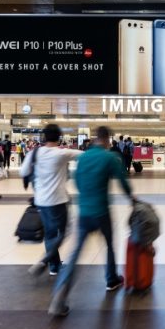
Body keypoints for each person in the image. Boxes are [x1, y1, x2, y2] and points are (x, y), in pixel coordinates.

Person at [48, 126, 135, 317]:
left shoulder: (84, 157)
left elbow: (76, 181)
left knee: (75, 254)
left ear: (95, 138)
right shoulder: (109, 157)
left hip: (84, 213)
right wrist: (132, 199)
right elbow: (123, 181)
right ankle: (111, 279)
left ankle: (60, 296)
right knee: (109, 246)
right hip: (102, 212)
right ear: (107, 139)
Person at [23, 125, 83, 278]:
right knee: (65, 231)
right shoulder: (61, 153)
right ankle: (46, 259)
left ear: (44, 137)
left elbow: (24, 171)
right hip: (58, 201)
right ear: (59, 137)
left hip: (41, 201)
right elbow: (84, 155)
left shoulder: (34, 153)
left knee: (49, 234)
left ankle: (54, 266)